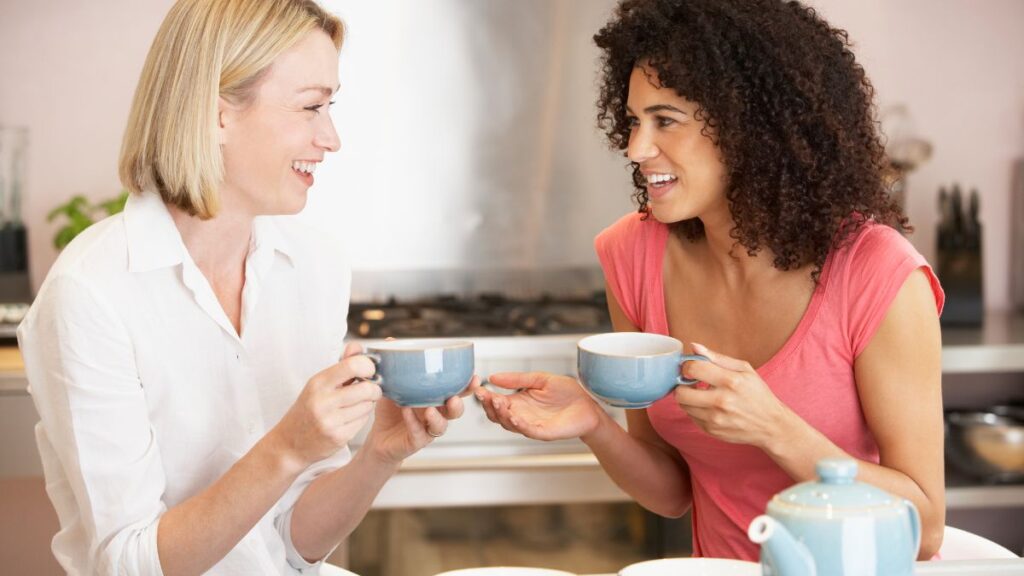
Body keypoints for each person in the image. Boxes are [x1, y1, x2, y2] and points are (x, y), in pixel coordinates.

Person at [476, 0, 945, 561]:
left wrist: (776, 429)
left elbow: (925, 526)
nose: (636, 149)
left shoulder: (876, 274)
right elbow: (673, 491)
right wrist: (593, 424)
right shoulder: (633, 254)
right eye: (633, 120)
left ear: (750, 125)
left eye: (665, 120)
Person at [18, 1, 473, 574]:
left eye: (330, 106)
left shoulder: (316, 264)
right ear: (216, 116)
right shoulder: (90, 294)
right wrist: (285, 448)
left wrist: (378, 457)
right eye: (311, 106)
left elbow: (291, 545)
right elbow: (128, 563)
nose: (330, 138)